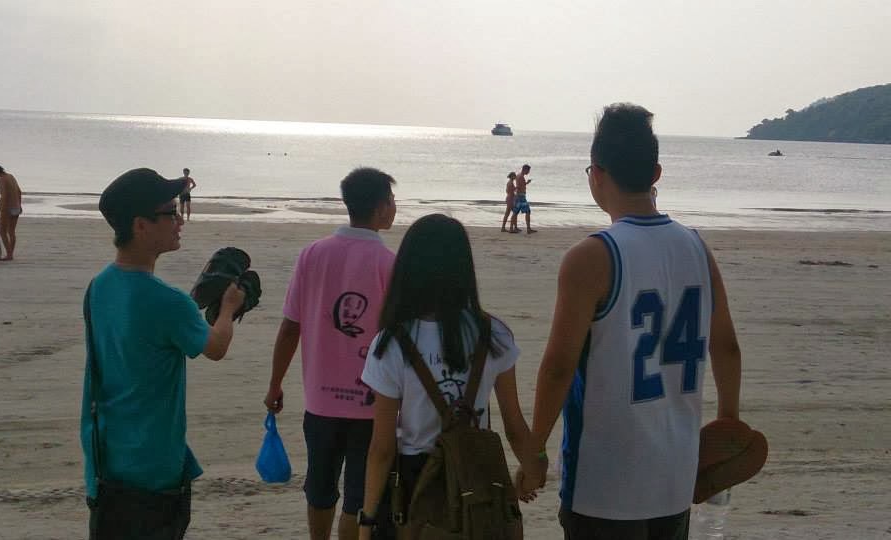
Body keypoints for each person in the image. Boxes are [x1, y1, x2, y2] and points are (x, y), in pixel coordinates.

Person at [518, 103, 743, 540]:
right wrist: (728, 427)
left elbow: (559, 366)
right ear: (656, 173)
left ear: (596, 175)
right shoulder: (697, 248)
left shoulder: (591, 256)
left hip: (604, 482)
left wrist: (535, 451)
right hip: (675, 476)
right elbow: (727, 347)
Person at [82, 168, 246, 540]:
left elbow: (145, 335)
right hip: (152, 467)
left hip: (104, 460)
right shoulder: (167, 301)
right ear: (140, 225)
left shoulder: (99, 286)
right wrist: (228, 308)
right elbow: (215, 347)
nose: (179, 221)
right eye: (170, 213)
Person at [357, 214, 537, 540]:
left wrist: (367, 520)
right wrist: (532, 467)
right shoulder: (493, 334)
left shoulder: (391, 343)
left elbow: (381, 448)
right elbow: (514, 425)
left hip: (417, 478)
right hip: (477, 477)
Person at [265, 167, 397, 540]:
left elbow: (290, 326)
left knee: (320, 487)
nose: (394, 207)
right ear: (380, 207)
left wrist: (275, 383)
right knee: (358, 496)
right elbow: (398, 337)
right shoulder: (388, 263)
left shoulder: (313, 254)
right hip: (370, 402)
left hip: (321, 400)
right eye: (392, 201)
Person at [0, 159, 23, 260]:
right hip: (16, 207)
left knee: (3, 232)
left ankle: (9, 255)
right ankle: (10, 254)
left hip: (7, 208)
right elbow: (19, 192)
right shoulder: (10, 176)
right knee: (11, 232)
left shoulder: (2, 179)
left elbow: (4, 197)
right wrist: (20, 205)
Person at [510, 164, 536, 234]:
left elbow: (521, 185)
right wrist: (516, 192)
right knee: (527, 211)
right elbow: (519, 186)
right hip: (521, 197)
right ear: (525, 170)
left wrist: (526, 183)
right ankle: (528, 229)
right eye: (528, 171)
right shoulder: (521, 176)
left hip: (518, 196)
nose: (528, 172)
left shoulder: (518, 175)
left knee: (515, 212)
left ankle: (512, 228)